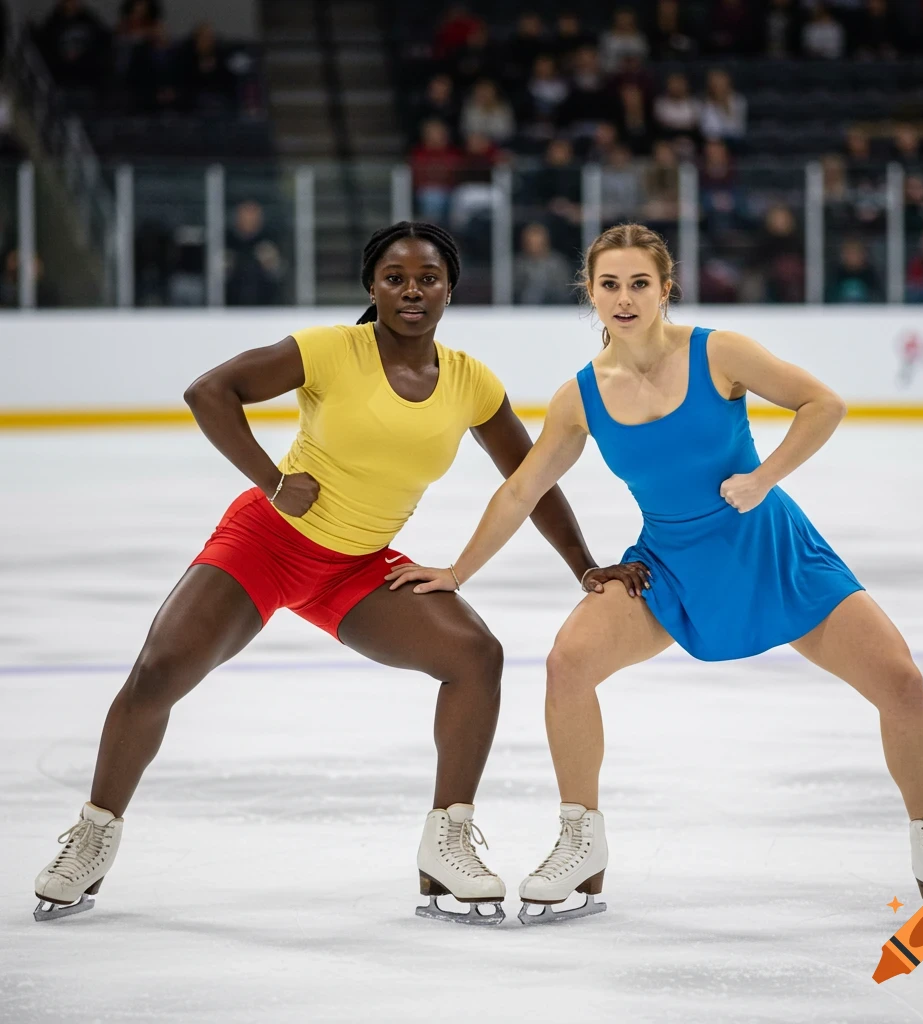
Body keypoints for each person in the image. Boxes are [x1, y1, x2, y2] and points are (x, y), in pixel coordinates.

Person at [32, 221, 645, 926]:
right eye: (395, 278)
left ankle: (446, 842)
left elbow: (529, 478)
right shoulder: (330, 350)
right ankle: (94, 833)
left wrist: (583, 568)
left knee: (475, 656)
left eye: (427, 278)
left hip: (354, 567)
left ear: (449, 288)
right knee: (159, 672)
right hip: (266, 544)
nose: (412, 291)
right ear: (372, 287)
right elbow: (210, 392)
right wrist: (270, 481)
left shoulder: (471, 381)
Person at [387, 222, 923, 930]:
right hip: (668, 569)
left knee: (902, 683)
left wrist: (765, 477)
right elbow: (521, 490)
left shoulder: (719, 354)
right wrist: (458, 570)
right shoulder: (580, 396)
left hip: (770, 550)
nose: (624, 297)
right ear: (590, 293)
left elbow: (823, 404)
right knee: (567, 663)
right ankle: (581, 840)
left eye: (638, 283)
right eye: (609, 284)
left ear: (664, 289)